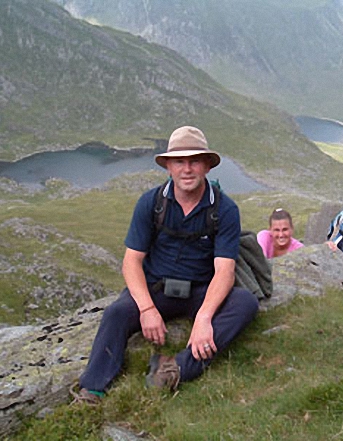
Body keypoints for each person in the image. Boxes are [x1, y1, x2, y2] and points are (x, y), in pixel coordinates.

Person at [70, 126, 259, 404]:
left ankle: (174, 368)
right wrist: (146, 309)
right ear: (168, 166)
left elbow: (224, 271)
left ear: (207, 165)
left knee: (245, 304)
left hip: (200, 292)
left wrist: (205, 318)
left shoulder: (225, 209)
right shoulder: (151, 203)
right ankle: (93, 389)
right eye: (179, 161)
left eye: (194, 161)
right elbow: (132, 261)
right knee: (116, 314)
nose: (187, 169)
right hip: (156, 289)